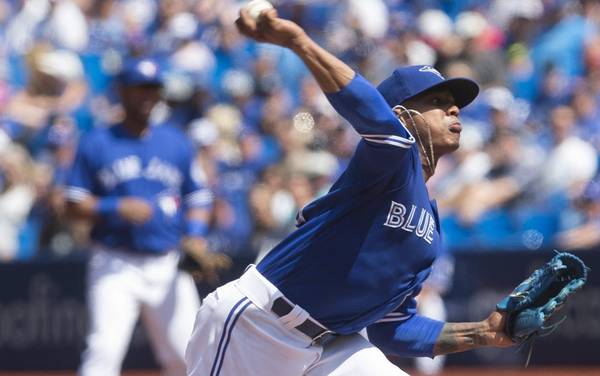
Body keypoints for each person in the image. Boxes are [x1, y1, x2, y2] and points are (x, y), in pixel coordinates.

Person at [185, 9, 513, 376]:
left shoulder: (431, 230)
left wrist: (481, 332)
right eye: (436, 102)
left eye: (453, 103)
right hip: (258, 326)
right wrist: (298, 42)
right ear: (403, 116)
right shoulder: (391, 159)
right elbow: (371, 112)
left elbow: (394, 329)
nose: (454, 108)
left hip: (333, 346)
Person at [65, 57, 213, 376]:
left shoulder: (175, 141)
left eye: (153, 89)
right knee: (103, 351)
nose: (148, 96)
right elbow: (72, 203)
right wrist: (115, 207)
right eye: (139, 89)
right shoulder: (97, 142)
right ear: (121, 91)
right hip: (115, 263)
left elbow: (199, 196)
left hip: (167, 262)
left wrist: (197, 234)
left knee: (187, 356)